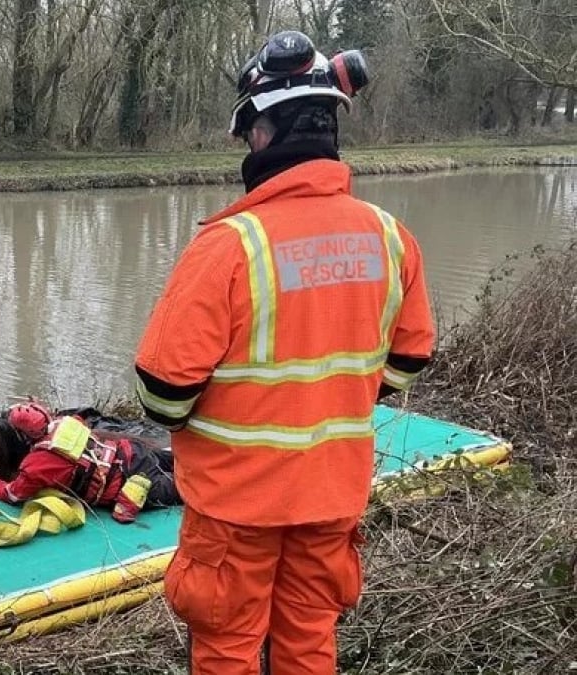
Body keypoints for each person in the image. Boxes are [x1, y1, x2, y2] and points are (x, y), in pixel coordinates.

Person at [133, 30, 435, 675]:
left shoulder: (227, 247)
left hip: (236, 506)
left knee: (228, 647)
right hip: (333, 491)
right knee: (308, 639)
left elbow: (162, 393)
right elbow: (408, 362)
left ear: (263, 134)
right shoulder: (391, 238)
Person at [0, 403, 181, 523]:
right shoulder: (67, 422)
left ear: (23, 436)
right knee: (188, 463)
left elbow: (13, 494)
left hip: (131, 482)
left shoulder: (39, 464)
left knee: (191, 488)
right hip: (133, 451)